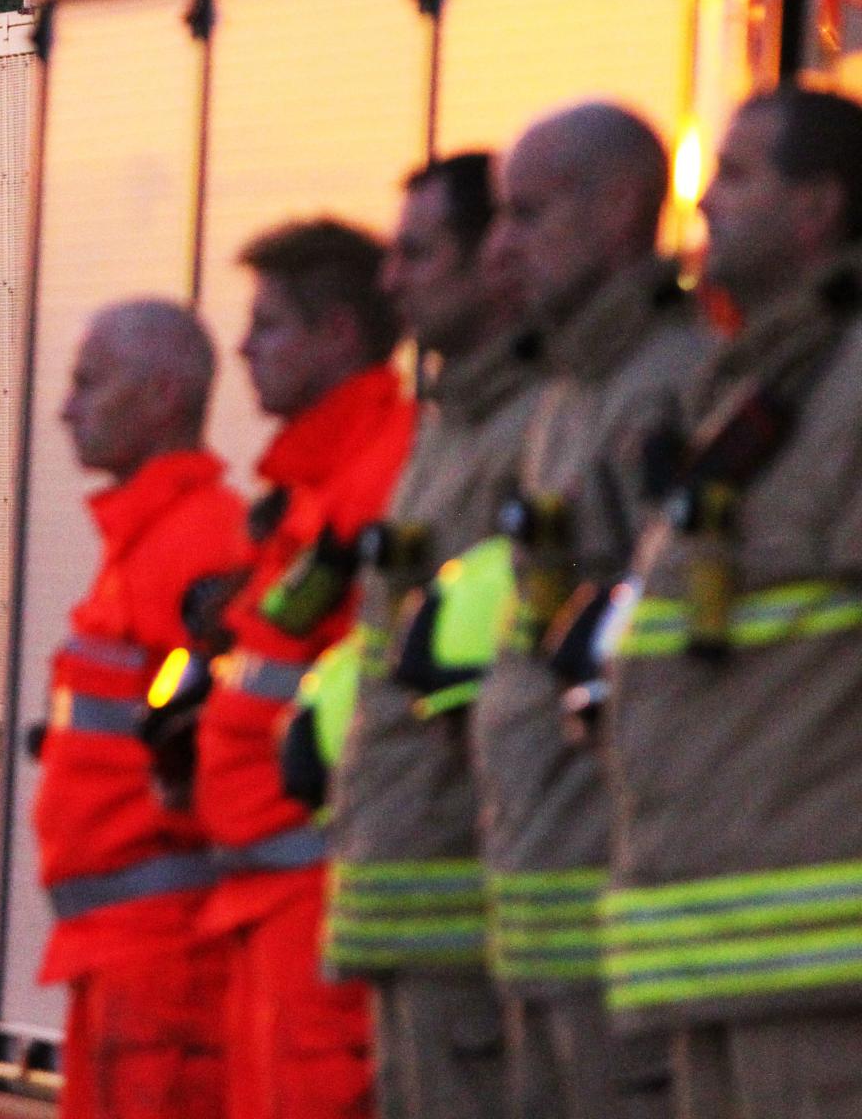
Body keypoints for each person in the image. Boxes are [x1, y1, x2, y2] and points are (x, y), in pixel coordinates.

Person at [606, 89, 862, 1119]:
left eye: (739, 174)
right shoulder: (759, 381)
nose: (705, 203)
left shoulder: (847, 387)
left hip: (821, 970)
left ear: (818, 208)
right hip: (722, 960)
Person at [471, 102, 705, 1119]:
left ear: (618, 213)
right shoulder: (572, 390)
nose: (502, 246)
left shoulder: (674, 383)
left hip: (618, 925)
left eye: (526, 214)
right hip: (544, 911)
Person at [321, 154, 536, 1119]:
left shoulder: (528, 427)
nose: (391, 279)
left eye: (416, 252)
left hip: (474, 912)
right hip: (412, 905)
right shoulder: (450, 426)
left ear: (494, 257)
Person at [188, 219, 414, 1119]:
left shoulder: (379, 479)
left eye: (268, 324)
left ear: (339, 335)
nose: (243, 346)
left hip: (327, 912)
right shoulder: (313, 491)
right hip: (276, 909)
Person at [35, 300, 248, 1119]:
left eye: (90, 384)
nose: (66, 407)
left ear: (162, 396)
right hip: (128, 964)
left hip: (171, 974)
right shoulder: (153, 544)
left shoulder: (197, 550)